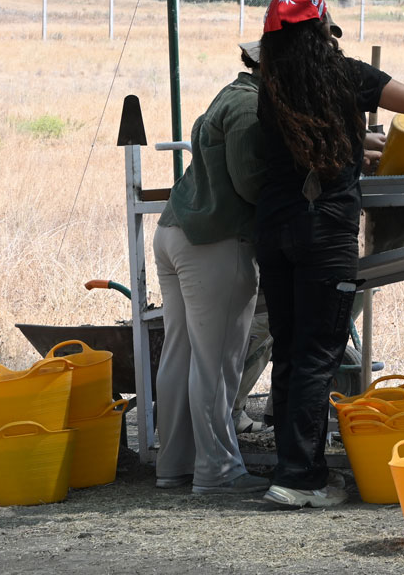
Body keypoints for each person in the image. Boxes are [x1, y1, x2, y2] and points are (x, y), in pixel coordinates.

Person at [255, 0, 404, 508]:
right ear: (324, 29)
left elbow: (308, 142)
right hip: (324, 232)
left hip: (274, 230)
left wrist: (354, 146)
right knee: (318, 352)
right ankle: (300, 479)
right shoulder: (346, 75)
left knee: (290, 348)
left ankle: (290, 466)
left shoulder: (271, 86)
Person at [152, 41, 271, 495]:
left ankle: (175, 465)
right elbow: (251, 183)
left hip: (174, 231)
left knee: (180, 357)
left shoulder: (230, 94)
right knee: (215, 362)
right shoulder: (250, 108)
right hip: (213, 242)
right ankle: (218, 472)